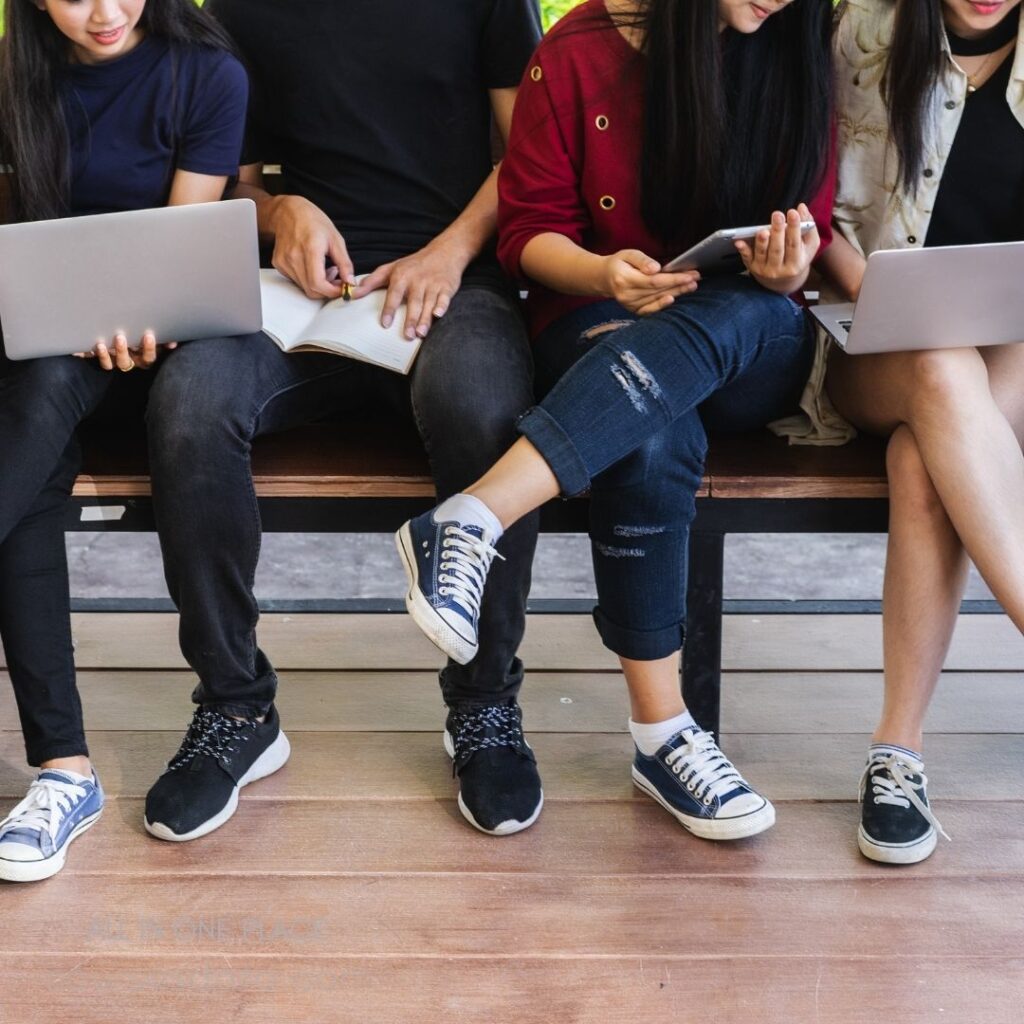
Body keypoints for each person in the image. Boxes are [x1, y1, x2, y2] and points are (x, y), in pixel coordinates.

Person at [398, 0, 835, 841]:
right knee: (653, 423)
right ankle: (663, 734)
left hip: (753, 337)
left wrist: (786, 267)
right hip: (599, 315)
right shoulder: (577, 51)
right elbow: (528, 234)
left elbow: (807, 234)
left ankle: (475, 513)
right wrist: (603, 274)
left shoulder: (800, 40)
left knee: (740, 320)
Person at [141, 0, 545, 843]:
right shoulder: (243, 8)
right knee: (189, 405)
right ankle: (235, 706)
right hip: (303, 292)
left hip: (450, 278)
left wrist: (450, 251)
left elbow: (525, 157)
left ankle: (483, 705)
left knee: (482, 406)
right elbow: (236, 180)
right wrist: (280, 213)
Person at [0, 0, 247, 881]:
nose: (106, 12)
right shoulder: (13, 78)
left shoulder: (207, 75)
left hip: (150, 349)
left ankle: (63, 770)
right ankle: (64, 776)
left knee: (24, 422)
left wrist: (126, 313)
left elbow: (175, 258)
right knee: (27, 434)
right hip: (37, 347)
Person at [811, 0, 1024, 864]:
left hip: (1009, 344)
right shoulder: (858, 30)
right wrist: (875, 290)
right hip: (875, 338)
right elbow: (800, 194)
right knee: (939, 369)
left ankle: (898, 750)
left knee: (923, 460)